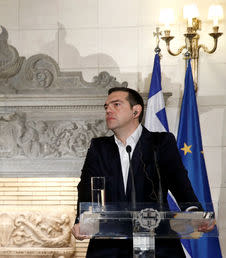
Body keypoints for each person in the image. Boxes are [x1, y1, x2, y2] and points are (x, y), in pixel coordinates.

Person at [71, 87, 215, 257]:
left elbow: (179, 183)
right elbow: (87, 187)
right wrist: (83, 219)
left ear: (136, 111)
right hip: (111, 245)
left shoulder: (161, 142)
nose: (108, 110)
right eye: (106, 107)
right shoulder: (99, 147)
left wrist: (194, 212)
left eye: (116, 104)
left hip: (156, 242)